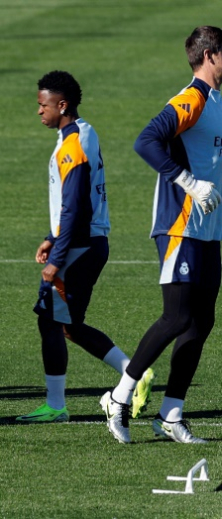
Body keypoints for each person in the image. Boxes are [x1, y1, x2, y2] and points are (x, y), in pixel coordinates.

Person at [101, 26, 222, 444]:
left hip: (208, 231)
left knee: (200, 322)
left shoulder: (219, 103)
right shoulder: (191, 98)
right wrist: (186, 182)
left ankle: (171, 414)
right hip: (180, 226)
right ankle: (119, 396)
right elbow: (145, 142)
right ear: (210, 55)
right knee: (177, 316)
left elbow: (209, 164)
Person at [17, 71, 154, 424]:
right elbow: (74, 200)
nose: (39, 112)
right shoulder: (83, 133)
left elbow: (76, 206)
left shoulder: (73, 144)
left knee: (50, 320)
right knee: (68, 325)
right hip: (86, 242)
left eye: (42, 105)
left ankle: (58, 405)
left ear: (61, 105)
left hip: (78, 247)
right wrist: (52, 234)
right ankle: (132, 373)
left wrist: (57, 257)